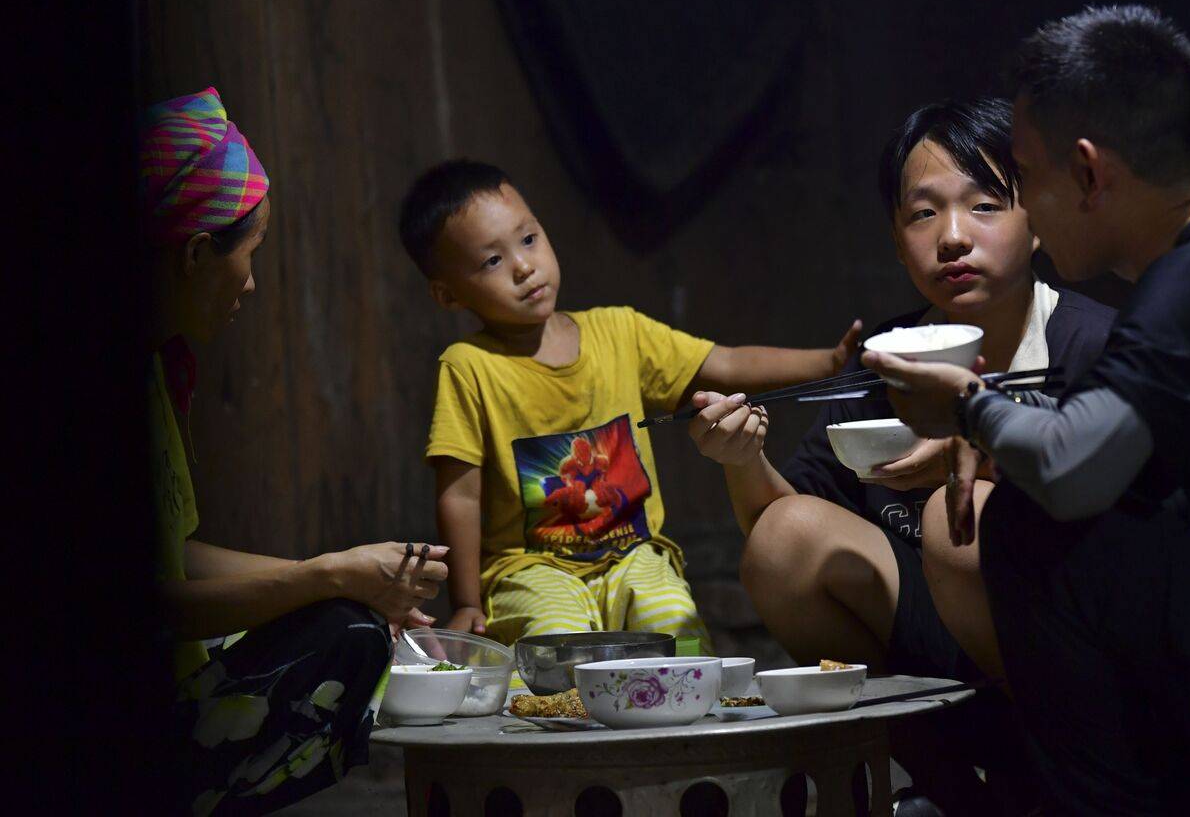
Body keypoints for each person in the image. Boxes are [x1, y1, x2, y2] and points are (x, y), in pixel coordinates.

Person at [864, 6, 1190, 815]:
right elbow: (1125, 445)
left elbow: (1071, 469)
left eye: (1025, 178)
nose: (1026, 208)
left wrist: (968, 407)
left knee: (1030, 527)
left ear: (1089, 174)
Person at [688, 99, 1112, 813]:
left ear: (1037, 220)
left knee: (957, 521)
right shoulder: (887, 360)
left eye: (984, 205)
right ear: (895, 239)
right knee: (785, 539)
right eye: (922, 214)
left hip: (1079, 661)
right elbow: (783, 532)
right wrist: (739, 457)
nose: (953, 237)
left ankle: (1060, 788)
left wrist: (984, 451)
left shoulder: (1091, 346)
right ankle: (951, 794)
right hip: (938, 658)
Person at [397, 160, 860, 659]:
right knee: (557, 644)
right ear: (448, 294)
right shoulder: (468, 367)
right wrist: (467, 601)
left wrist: (828, 362)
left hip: (634, 555)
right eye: (492, 260)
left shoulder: (619, 331)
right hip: (530, 570)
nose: (523, 266)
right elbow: (461, 495)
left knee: (673, 626)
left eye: (529, 239)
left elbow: (724, 362)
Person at [144, 88, 449, 816]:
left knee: (349, 612)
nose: (251, 283)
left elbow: (174, 556)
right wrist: (330, 577)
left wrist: (351, 575)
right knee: (348, 637)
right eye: (248, 256)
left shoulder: (155, 369)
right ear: (196, 253)